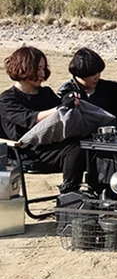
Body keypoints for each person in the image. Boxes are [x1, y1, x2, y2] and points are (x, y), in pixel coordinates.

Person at [0, 46, 86, 193]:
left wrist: (70, 101)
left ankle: (102, 192)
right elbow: (31, 119)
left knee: (92, 145)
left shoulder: (45, 93)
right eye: (38, 69)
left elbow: (64, 113)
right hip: (27, 152)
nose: (42, 73)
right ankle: (70, 192)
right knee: (75, 148)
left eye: (43, 68)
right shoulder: (7, 100)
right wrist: (61, 108)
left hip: (51, 143)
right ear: (24, 68)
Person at [57, 47, 117, 129]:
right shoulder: (66, 93)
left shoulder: (109, 88)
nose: (96, 77)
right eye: (92, 74)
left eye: (99, 73)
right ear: (81, 74)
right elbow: (77, 124)